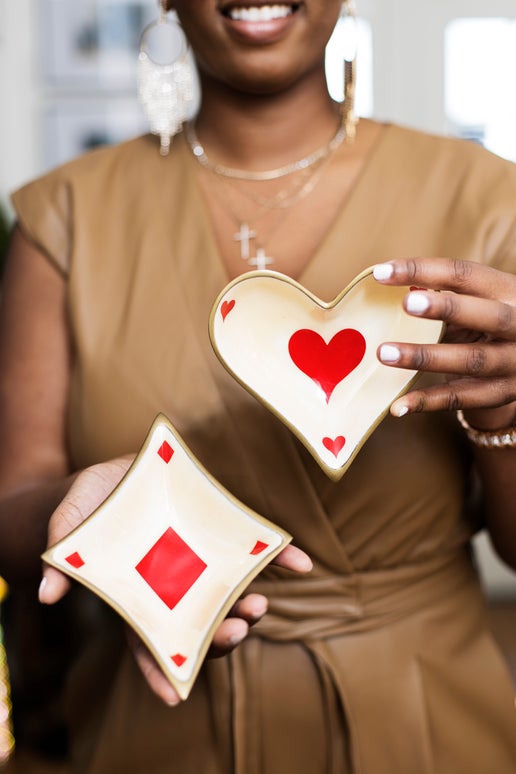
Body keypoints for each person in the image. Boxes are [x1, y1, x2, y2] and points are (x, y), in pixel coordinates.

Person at [1, 0, 516, 771]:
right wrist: (86, 516)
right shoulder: (67, 215)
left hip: (423, 722)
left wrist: (506, 417)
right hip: (154, 725)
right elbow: (12, 514)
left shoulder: (488, 199)